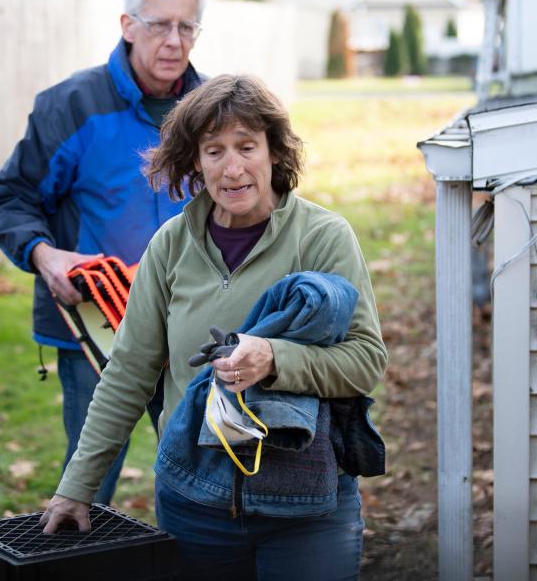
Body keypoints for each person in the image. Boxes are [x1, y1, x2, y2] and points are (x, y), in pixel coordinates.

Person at [40, 74, 388, 580]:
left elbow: (365, 362)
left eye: (247, 146)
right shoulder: (170, 245)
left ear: (274, 152)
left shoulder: (322, 237)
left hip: (307, 507)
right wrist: (77, 487)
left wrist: (274, 360)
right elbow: (128, 372)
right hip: (193, 502)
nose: (232, 168)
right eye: (214, 151)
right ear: (194, 161)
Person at [0, 0, 212, 506]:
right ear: (128, 24)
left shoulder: (214, 110)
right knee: (87, 483)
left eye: (187, 26)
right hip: (94, 329)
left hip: (192, 326)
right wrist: (46, 257)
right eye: (160, 24)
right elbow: (13, 199)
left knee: (201, 476)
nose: (174, 40)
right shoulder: (71, 106)